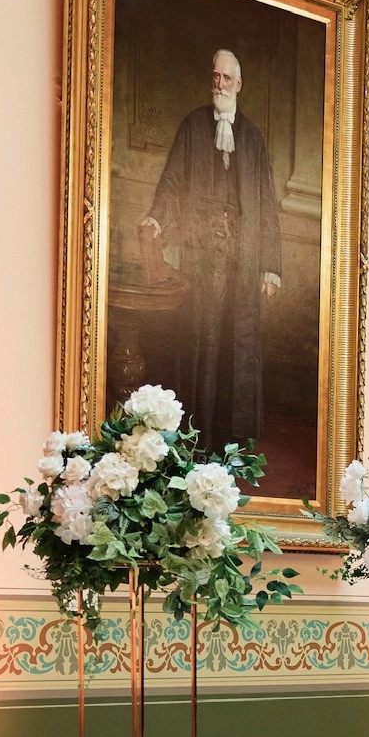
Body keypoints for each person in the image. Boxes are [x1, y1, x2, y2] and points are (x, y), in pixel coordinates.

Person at [137, 48, 281, 450]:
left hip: (242, 261)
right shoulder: (192, 126)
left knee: (235, 342)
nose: (219, 84)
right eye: (214, 76)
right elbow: (172, 182)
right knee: (200, 339)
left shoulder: (253, 139)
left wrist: (270, 265)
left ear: (239, 85)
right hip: (200, 259)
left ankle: (230, 441)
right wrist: (157, 217)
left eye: (226, 78)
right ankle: (193, 435)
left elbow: (267, 203)